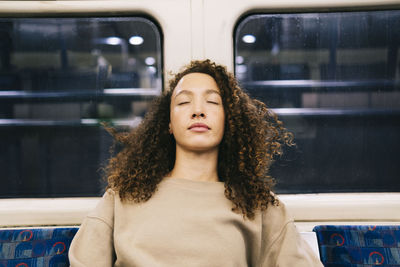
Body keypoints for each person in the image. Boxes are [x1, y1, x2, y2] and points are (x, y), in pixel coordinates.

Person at [68, 59, 323, 267]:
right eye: (183, 102)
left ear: (229, 120)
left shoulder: (258, 205)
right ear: (168, 123)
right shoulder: (122, 198)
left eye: (212, 102)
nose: (198, 110)